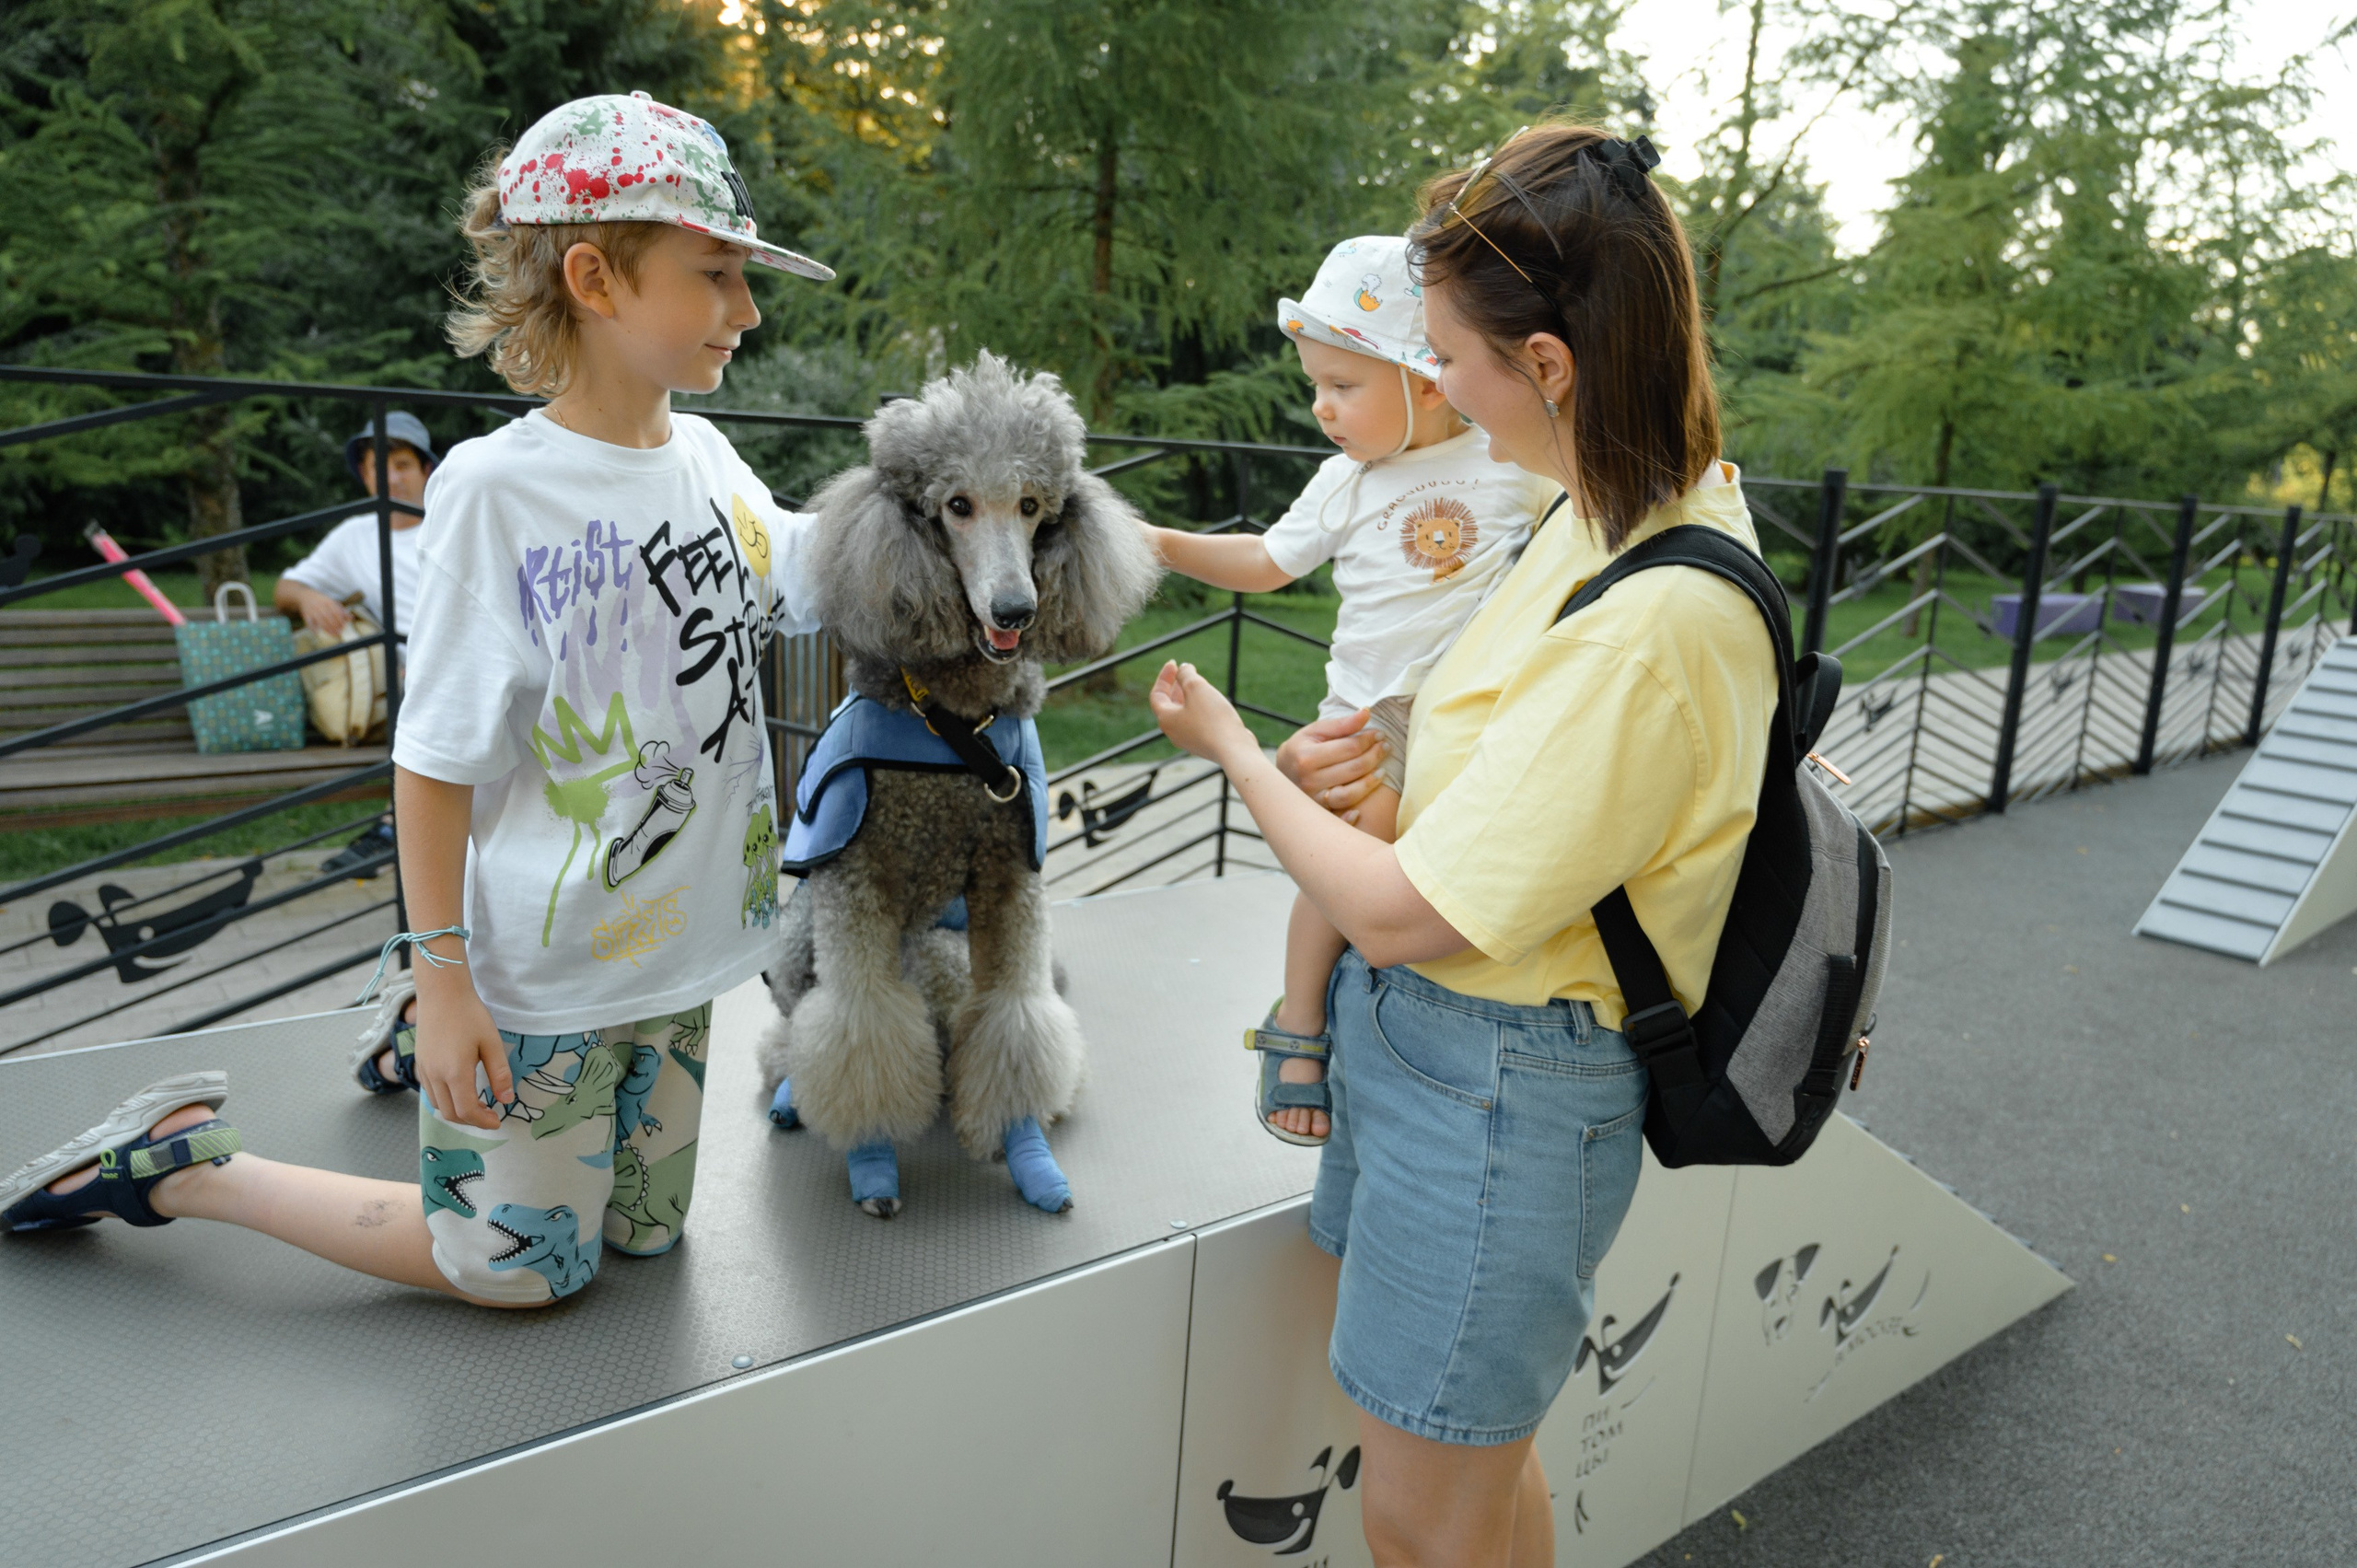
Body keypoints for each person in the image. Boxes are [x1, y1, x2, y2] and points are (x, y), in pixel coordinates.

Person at [0, 91, 834, 1310]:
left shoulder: (705, 459)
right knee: (515, 1266)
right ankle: (188, 1161)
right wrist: (449, 979)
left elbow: (808, 562)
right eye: (715, 274)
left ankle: (412, 1038)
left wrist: (994, 519)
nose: (747, 310)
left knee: (649, 1239)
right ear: (597, 277)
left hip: (673, 952)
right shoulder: (496, 495)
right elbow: (436, 758)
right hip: (543, 969)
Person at [1147, 122, 1773, 1566]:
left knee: (1424, 1515)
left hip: (1499, 1090)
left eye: (1448, 356)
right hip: (1449, 1060)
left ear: (1544, 364)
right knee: (1479, 1470)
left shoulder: (1651, 607)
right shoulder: (1603, 512)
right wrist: (1350, 771)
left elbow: (1401, 913)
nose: (1438, 386)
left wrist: (1243, 756)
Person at [1144, 235, 1551, 1147]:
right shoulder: (1347, 482)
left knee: (1424, 870)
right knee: (1357, 865)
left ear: (1429, 380)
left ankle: (1354, 1011)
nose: (1322, 408)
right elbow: (1263, 561)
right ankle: (1298, 1020)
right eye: (1316, 385)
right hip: (1366, 714)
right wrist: (1158, 541)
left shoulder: (1510, 463)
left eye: (1344, 386)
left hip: (1459, 713)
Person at [277, 410, 436, 881]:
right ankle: (399, 832)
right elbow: (284, 588)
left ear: (427, 470)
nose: (389, 478)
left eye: (402, 465)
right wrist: (309, 597)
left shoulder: (453, 523)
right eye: (374, 467)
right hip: (402, 684)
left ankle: (392, 831)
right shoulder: (354, 536)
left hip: (448, 668)